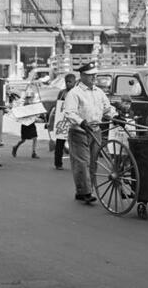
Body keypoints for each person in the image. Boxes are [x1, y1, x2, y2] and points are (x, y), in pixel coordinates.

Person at [64, 62, 114, 204]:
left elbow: (107, 108)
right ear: (82, 76)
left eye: (94, 75)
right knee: (82, 163)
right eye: (90, 75)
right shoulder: (74, 93)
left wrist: (116, 116)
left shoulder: (99, 92)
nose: (93, 78)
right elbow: (69, 112)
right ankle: (85, 191)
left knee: (93, 162)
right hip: (79, 131)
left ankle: (86, 190)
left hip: (95, 130)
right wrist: (81, 122)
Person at [47, 73, 77, 170]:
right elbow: (58, 106)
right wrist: (53, 120)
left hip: (73, 122)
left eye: (70, 82)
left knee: (75, 144)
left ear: (74, 82)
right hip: (62, 122)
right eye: (66, 82)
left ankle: (76, 164)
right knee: (60, 143)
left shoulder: (77, 93)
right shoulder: (62, 93)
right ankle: (58, 163)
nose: (68, 84)